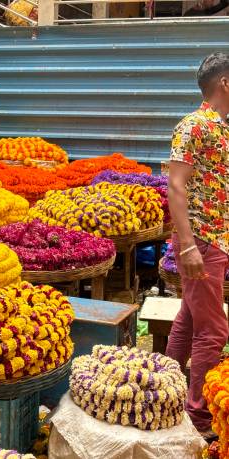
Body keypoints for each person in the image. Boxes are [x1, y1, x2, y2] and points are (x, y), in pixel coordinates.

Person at [165, 52, 229, 440]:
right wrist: (187, 246)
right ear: (226, 83)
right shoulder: (194, 125)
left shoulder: (221, 127)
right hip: (200, 241)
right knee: (214, 330)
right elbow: (176, 185)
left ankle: (166, 393)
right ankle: (198, 417)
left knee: (189, 321)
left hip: (213, 240)